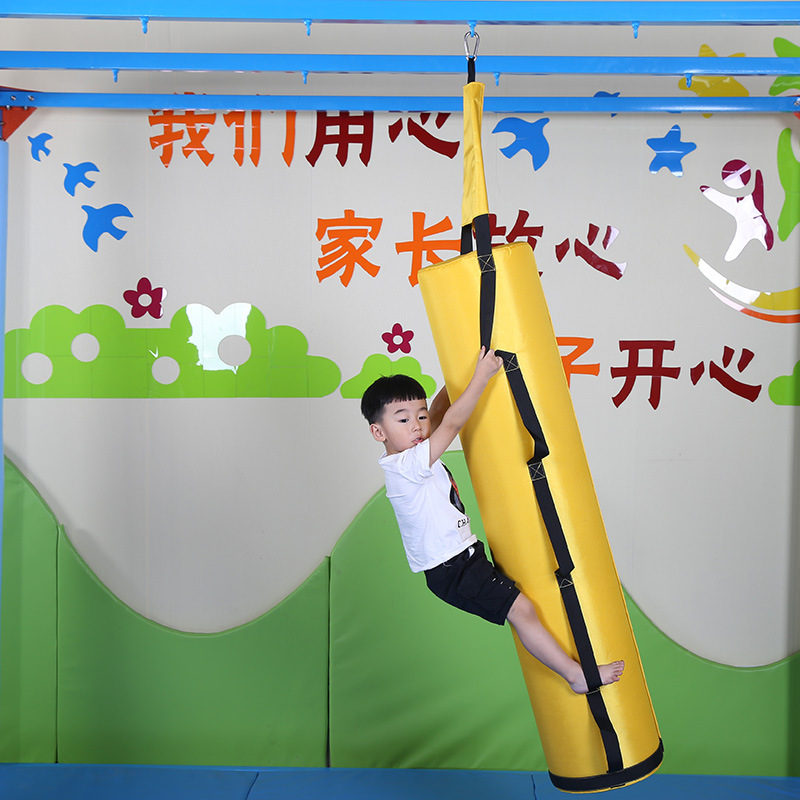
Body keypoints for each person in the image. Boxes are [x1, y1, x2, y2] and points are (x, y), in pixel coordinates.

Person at [361, 347, 624, 695]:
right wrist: (481, 377)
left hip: (460, 561)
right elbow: (451, 422)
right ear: (379, 432)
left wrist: (457, 373)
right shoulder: (406, 466)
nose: (418, 426)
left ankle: (573, 673)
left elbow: (439, 412)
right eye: (403, 420)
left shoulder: (413, 452)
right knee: (522, 610)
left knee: (522, 609)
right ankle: (575, 675)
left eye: (419, 416)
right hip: (452, 570)